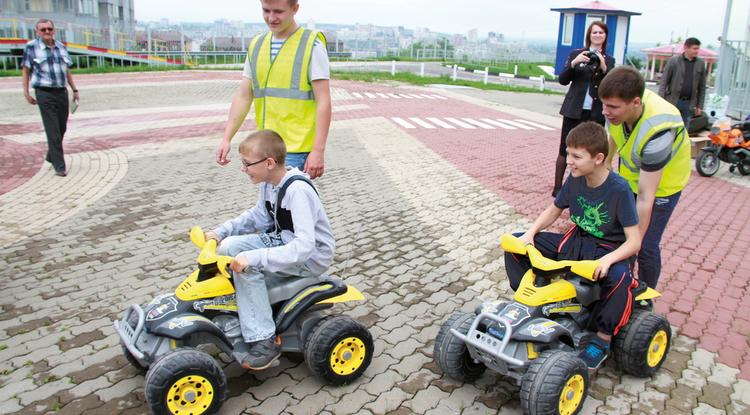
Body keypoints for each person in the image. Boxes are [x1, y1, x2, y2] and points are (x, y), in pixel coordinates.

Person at [505, 121, 641, 369]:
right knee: (516, 246)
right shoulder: (575, 178)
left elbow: (635, 241)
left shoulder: (619, 189)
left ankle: (602, 339)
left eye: (577, 156)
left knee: (619, 278)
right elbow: (554, 209)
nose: (569, 161)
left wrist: (607, 260)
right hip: (577, 241)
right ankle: (529, 304)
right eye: (568, 153)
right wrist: (530, 233)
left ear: (598, 158)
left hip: (609, 249)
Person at [205, 130, 335, 370]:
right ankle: (241, 305)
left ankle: (263, 338)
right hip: (284, 241)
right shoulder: (270, 184)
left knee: (247, 266)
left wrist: (254, 258)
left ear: (269, 163)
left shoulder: (298, 191)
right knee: (228, 247)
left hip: (310, 258)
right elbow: (258, 216)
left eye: (246, 164)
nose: (243, 169)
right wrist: (220, 232)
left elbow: (305, 247)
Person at [215, 0, 331, 179]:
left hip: (296, 150)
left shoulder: (312, 45)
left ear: (295, 8)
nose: (271, 18)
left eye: (278, 11)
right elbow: (244, 96)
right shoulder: (257, 45)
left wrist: (318, 151)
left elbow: (324, 101)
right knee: (272, 205)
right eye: (266, 10)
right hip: (266, 147)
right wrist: (226, 138)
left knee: (291, 204)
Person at [600, 66, 691, 290]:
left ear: (635, 103)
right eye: (604, 104)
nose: (605, 111)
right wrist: (605, 164)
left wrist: (634, 242)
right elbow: (613, 137)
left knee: (645, 245)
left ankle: (645, 295)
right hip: (632, 180)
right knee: (618, 236)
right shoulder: (618, 105)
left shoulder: (658, 131)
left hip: (661, 190)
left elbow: (645, 197)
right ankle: (621, 286)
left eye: (612, 107)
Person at [553, 21, 615, 197]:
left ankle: (586, 186)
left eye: (601, 33)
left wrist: (603, 66)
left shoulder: (609, 60)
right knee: (565, 148)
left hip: (595, 112)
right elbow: (563, 80)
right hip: (574, 110)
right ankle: (558, 187)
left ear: (605, 37)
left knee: (592, 150)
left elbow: (611, 85)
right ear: (589, 35)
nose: (597, 35)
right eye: (594, 32)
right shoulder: (577, 54)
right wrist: (574, 63)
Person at [22, 18, 79, 177]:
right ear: (37, 31)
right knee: (52, 130)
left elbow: (66, 70)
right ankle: (59, 166)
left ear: (53, 30)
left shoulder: (61, 47)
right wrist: (26, 92)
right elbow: (26, 70)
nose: (47, 32)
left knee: (62, 127)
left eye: (49, 29)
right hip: (44, 92)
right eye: (43, 29)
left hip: (61, 92)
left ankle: (50, 155)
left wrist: (74, 89)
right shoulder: (31, 47)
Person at [658, 37, 707, 128]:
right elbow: (664, 81)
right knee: (668, 128)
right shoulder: (674, 61)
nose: (697, 51)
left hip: (689, 104)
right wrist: (661, 100)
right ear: (686, 48)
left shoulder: (700, 63)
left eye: (698, 48)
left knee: (684, 130)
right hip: (673, 101)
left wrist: (700, 106)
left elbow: (702, 87)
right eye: (694, 48)